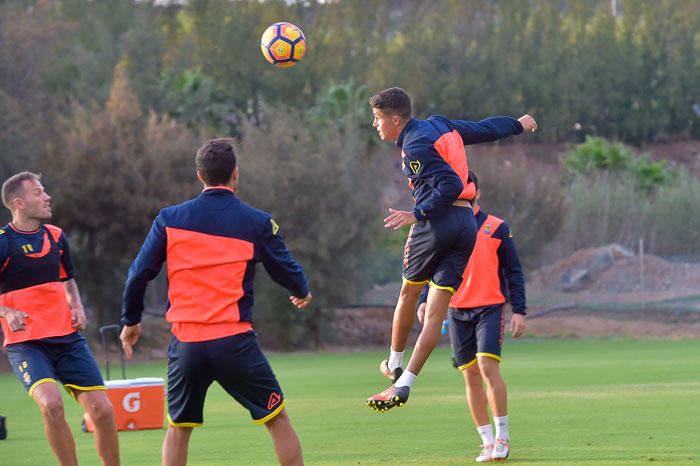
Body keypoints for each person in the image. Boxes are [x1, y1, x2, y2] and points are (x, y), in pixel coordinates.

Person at [120, 138, 312, 466]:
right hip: (233, 343)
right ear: (235, 174)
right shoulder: (256, 222)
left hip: (186, 344)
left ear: (200, 176)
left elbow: (138, 273)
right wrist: (301, 289)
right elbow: (284, 266)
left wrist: (130, 320)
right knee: (277, 419)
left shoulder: (169, 219)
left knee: (178, 429)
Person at [366, 87, 536, 411]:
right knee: (436, 312)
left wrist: (415, 214)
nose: (376, 125)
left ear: (396, 119)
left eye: (378, 119)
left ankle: (393, 363)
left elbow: (450, 184)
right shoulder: (441, 125)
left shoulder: (415, 146)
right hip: (465, 225)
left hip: (437, 224)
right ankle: (406, 383)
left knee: (407, 295)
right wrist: (517, 123)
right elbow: (484, 128)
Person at [0, 172, 120, 466]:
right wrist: (7, 311)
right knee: (51, 404)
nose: (47, 197)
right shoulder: (3, 242)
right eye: (39, 192)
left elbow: (68, 279)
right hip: (26, 343)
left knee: (103, 410)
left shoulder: (56, 236)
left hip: (67, 339)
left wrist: (76, 305)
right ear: (19, 202)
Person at [417, 171, 526, 462]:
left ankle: (503, 435)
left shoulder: (497, 227)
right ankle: (487, 441)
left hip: (490, 307)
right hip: (456, 310)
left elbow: (513, 271)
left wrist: (520, 311)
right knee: (470, 377)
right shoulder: (443, 229)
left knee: (488, 367)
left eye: (467, 187)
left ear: (476, 191)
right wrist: (426, 300)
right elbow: (431, 267)